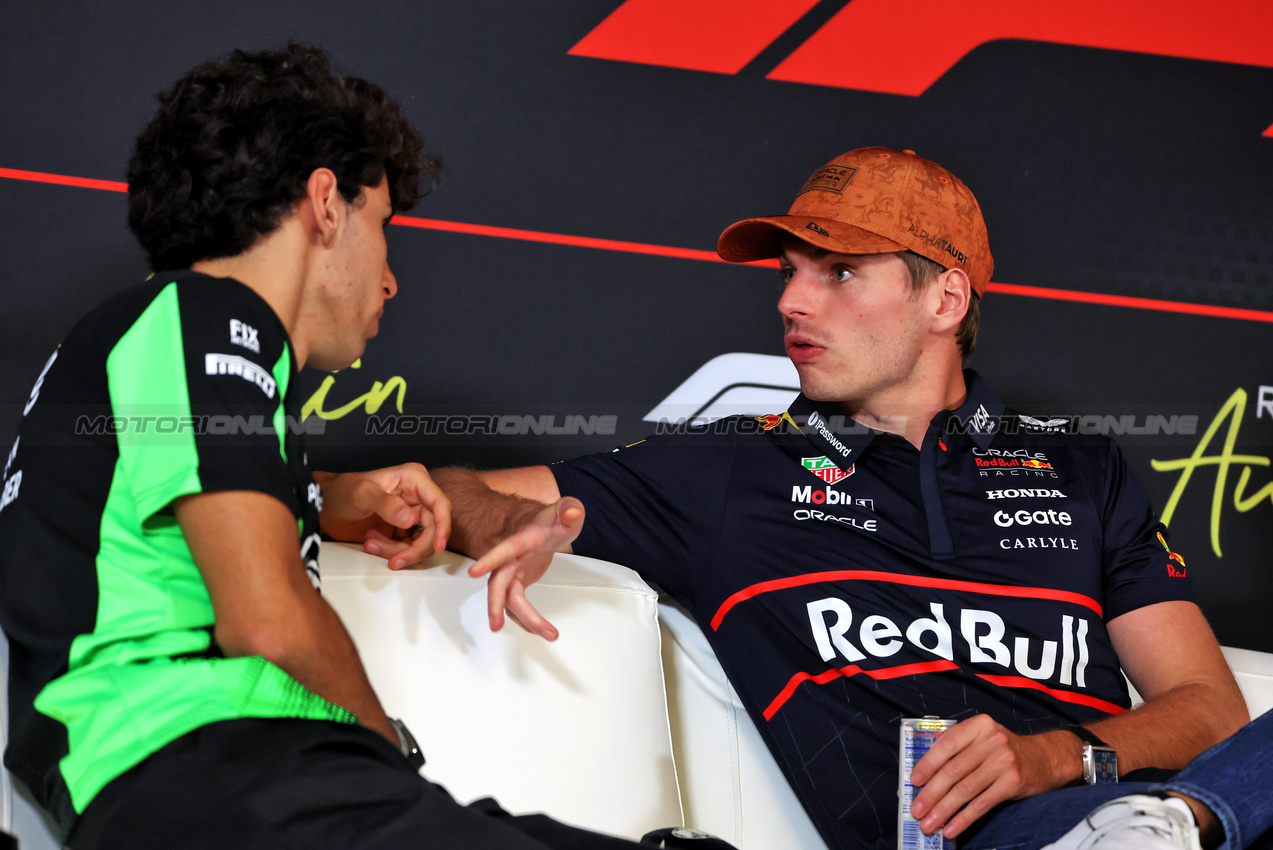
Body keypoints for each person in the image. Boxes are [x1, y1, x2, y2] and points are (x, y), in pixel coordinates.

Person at [410, 148, 1272, 850]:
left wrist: (1054, 757)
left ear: (945, 298)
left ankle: (1160, 828)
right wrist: (509, 519)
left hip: (1164, 819)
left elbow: (1208, 704)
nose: (790, 301)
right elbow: (436, 492)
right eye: (791, 273)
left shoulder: (1081, 470)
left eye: (841, 272)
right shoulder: (729, 468)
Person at [0, 43, 648, 850]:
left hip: (213, 780)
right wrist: (391, 755)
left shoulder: (158, 337)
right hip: (216, 770)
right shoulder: (202, 314)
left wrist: (337, 497)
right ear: (325, 204)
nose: (390, 279)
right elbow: (267, 620)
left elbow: (156, 497)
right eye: (383, 226)